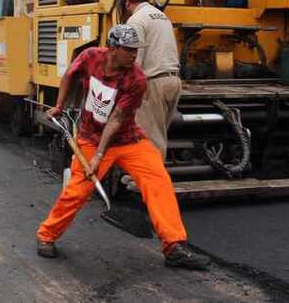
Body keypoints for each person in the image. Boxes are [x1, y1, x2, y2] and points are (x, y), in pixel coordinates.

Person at [36, 24, 209, 270]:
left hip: (128, 139)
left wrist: (99, 156)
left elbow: (116, 119)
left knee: (158, 180)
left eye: (137, 50)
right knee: (77, 190)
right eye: (129, 50)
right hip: (89, 137)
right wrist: (60, 105)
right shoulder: (90, 57)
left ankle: (174, 246)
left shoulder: (136, 79)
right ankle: (47, 235)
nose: (134, 55)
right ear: (113, 48)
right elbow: (69, 76)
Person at [123, 0, 180, 157]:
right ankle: (148, 177)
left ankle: (150, 181)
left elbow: (135, 60)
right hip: (173, 81)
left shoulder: (136, 20)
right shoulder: (161, 16)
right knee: (159, 134)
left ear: (127, 1)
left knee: (150, 140)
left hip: (154, 83)